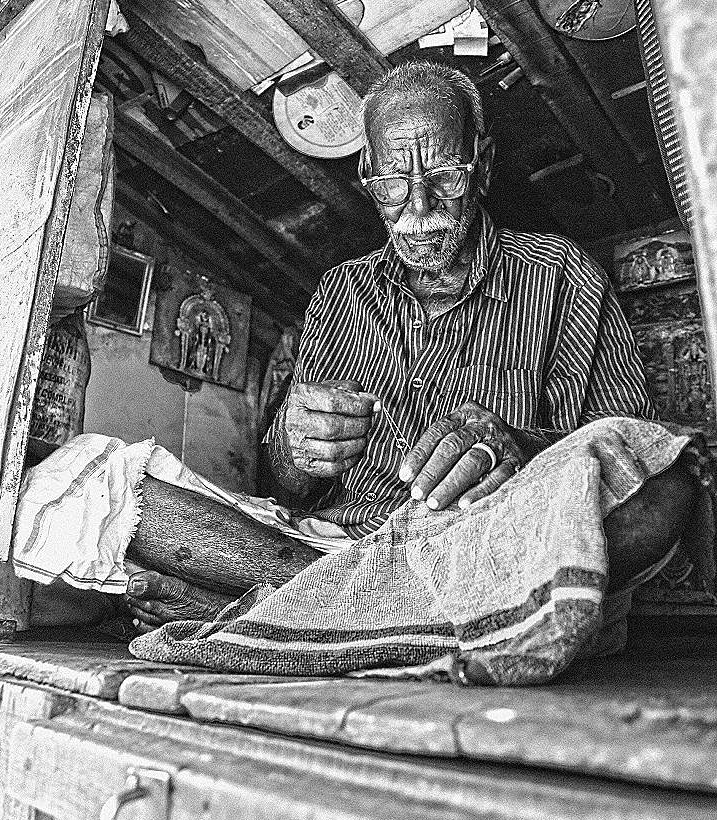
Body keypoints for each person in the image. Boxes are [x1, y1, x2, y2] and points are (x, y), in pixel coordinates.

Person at [112, 62, 695, 632]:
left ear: (483, 166)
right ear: (367, 175)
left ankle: (293, 608)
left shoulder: (565, 274)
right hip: (334, 544)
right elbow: (280, 486)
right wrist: (292, 447)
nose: (418, 208)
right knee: (112, 491)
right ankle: (370, 609)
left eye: (445, 175)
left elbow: (623, 449)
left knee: (665, 492)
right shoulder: (341, 290)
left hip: (480, 550)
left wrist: (518, 442)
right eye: (392, 184)